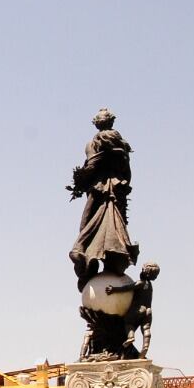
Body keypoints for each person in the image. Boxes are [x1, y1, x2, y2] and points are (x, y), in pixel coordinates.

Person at [67, 108, 137, 288]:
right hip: (117, 189)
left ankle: (80, 249)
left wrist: (81, 179)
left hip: (99, 188)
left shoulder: (93, 143)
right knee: (115, 223)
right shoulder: (121, 144)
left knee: (88, 222)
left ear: (96, 123)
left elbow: (92, 165)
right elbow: (127, 172)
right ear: (111, 122)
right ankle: (108, 256)